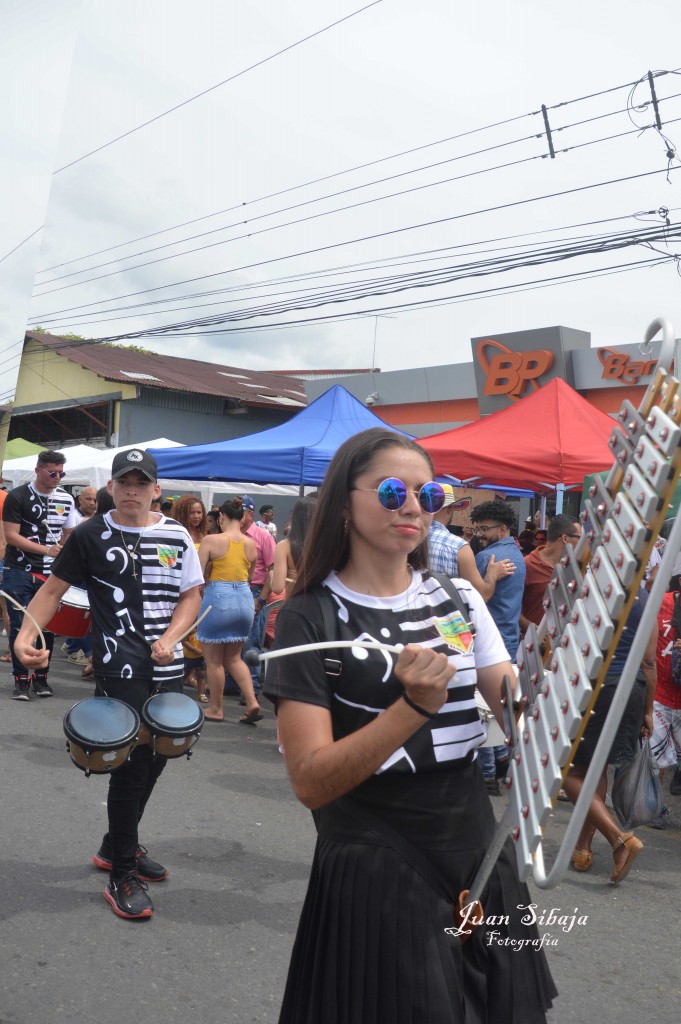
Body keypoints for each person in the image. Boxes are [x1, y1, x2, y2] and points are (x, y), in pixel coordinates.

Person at [264, 428, 556, 1024]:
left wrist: (559, 694)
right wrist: (412, 708)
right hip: (378, 858)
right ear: (343, 502)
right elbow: (312, 782)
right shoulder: (309, 615)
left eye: (431, 493)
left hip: (478, 846)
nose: (415, 507)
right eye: (393, 491)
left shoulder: (458, 599)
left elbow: (513, 705)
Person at [13, 448, 203, 919]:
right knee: (131, 766)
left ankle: (117, 844)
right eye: (124, 482)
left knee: (160, 756)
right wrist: (25, 633)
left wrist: (173, 637)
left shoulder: (177, 535)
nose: (132, 490)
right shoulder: (90, 535)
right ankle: (122, 872)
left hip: (168, 667)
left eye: (141, 482)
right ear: (112, 488)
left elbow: (191, 597)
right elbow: (53, 590)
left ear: (157, 490)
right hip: (120, 669)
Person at [563, 588, 655, 881]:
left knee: (570, 772)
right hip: (633, 688)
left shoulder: (593, 587)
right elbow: (649, 660)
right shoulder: (647, 598)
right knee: (596, 766)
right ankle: (582, 848)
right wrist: (648, 709)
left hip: (597, 686)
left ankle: (619, 839)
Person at [2, 449, 75, 699]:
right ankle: (21, 679)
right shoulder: (18, 496)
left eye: (61, 473)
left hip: (50, 572)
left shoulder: (66, 499)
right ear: (38, 470)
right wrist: (46, 549)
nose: (57, 477)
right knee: (20, 623)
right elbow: (11, 536)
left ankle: (41, 678)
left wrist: (63, 551)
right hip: (19, 568)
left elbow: (69, 532)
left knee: (47, 626)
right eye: (53, 472)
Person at [471, 499, 526, 792]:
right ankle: (502, 760)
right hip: (508, 638)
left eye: (484, 528)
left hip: (487, 639)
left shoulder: (486, 559)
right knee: (499, 708)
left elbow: (475, 600)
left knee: (481, 710)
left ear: (503, 528)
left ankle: (488, 774)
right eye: (477, 527)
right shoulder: (517, 554)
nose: (479, 533)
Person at [197, 498, 261, 724]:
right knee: (234, 658)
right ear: (242, 517)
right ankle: (252, 701)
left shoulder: (211, 540)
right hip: (244, 599)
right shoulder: (250, 544)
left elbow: (197, 575)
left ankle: (216, 708)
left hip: (218, 599)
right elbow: (251, 577)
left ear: (222, 516)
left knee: (213, 661)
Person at [428, 483, 515, 601]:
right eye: (480, 529)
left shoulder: (405, 539)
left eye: (483, 529)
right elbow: (482, 596)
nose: (479, 534)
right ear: (449, 509)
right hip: (448, 617)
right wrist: (492, 575)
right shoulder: (458, 547)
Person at [172, 495, 209, 702]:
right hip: (180, 591)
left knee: (194, 631)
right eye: (192, 512)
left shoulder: (205, 535)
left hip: (201, 591)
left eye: (199, 512)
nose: (196, 516)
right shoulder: (177, 532)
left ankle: (191, 673)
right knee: (180, 631)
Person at [519, 514, 581, 632]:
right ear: (565, 538)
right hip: (537, 647)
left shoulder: (575, 566)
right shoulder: (527, 565)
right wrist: (535, 632)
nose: (582, 542)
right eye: (579, 537)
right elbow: (513, 609)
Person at [239, 494, 276, 694]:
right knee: (231, 641)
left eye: (242, 511)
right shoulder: (231, 533)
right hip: (233, 588)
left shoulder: (263, 536)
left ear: (251, 513)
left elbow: (272, 570)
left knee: (251, 643)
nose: (237, 515)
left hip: (254, 590)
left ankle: (251, 687)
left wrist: (261, 599)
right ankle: (232, 684)